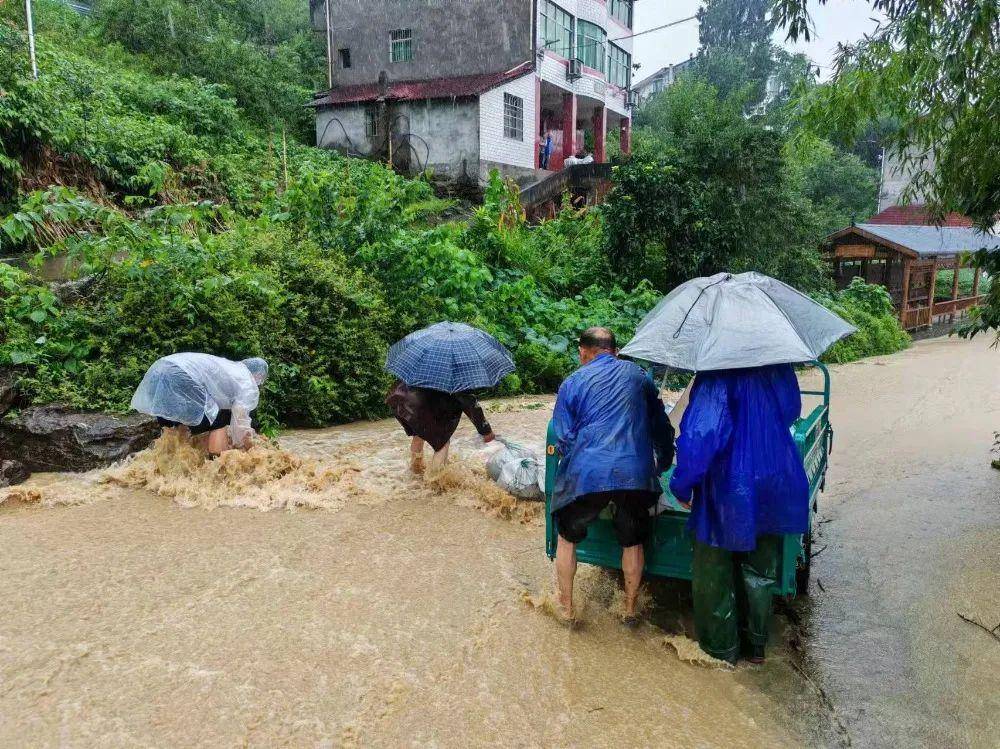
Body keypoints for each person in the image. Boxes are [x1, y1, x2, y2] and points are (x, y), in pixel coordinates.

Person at [669, 364, 809, 664]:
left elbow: (701, 436)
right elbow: (791, 411)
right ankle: (756, 645)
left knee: (714, 569)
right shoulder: (778, 367)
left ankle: (721, 651)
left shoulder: (716, 373)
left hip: (727, 485)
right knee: (760, 568)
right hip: (772, 476)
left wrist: (682, 485)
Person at [551, 327, 674, 626]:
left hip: (588, 473)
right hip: (635, 474)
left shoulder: (572, 382)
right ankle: (629, 611)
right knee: (632, 541)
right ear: (615, 352)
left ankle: (567, 611)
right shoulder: (639, 377)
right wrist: (663, 462)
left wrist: (582, 465)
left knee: (567, 538)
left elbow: (563, 438)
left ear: (582, 352)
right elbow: (661, 427)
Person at [131, 353, 269, 455]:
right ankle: (219, 465)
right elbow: (240, 422)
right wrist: (247, 449)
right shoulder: (247, 381)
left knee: (175, 426)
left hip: (159, 369)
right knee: (218, 421)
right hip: (181, 373)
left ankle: (170, 464)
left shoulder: (230, 368)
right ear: (258, 375)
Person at [386, 381, 496, 473]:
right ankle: (434, 484)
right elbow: (468, 401)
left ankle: (416, 471)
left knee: (418, 434)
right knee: (442, 443)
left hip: (399, 398)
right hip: (419, 405)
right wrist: (486, 431)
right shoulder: (458, 372)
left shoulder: (431, 363)